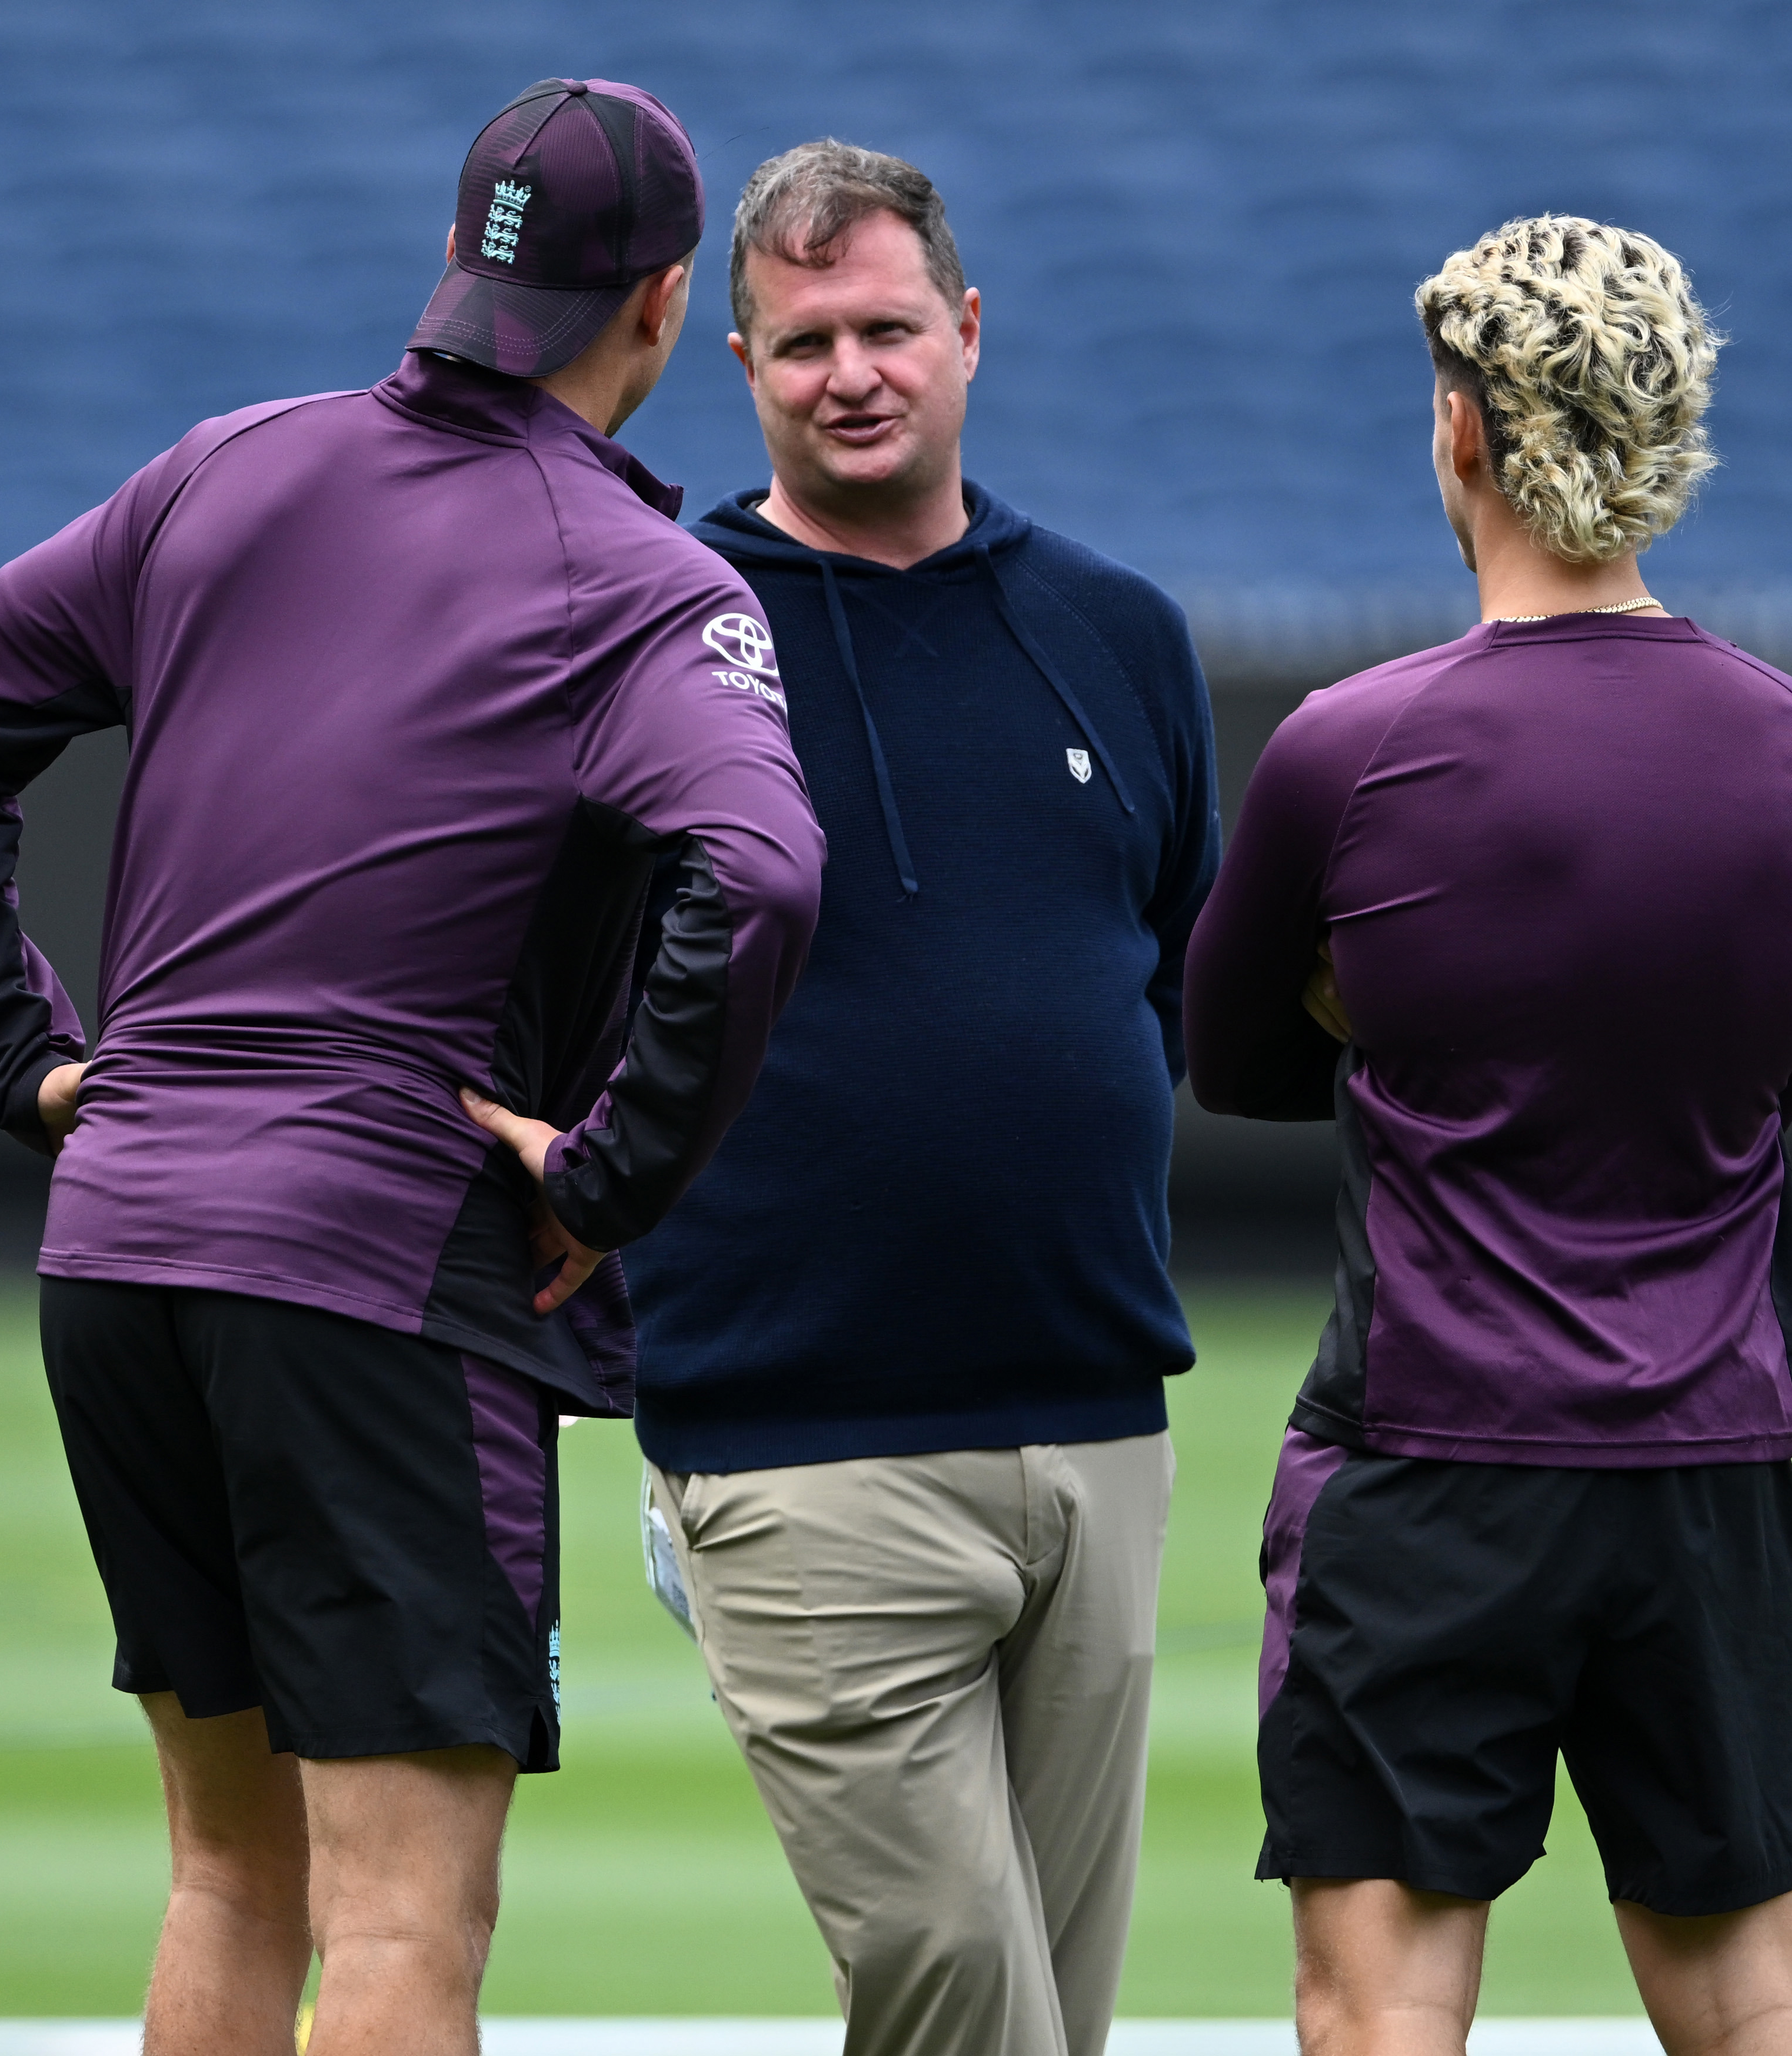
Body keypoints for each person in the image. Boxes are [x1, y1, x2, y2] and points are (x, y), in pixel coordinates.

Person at [0, 79, 823, 2056]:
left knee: (230, 1878)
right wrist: (612, 1174)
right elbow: (762, 867)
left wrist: (27, 1060)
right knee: (400, 1928)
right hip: (380, 1269)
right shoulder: (639, 583)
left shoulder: (223, 471)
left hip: (119, 1240)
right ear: (660, 303)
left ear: (458, 262)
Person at [1185, 216, 1792, 2056]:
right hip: (1711, 1461)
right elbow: (1762, 1075)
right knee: (1745, 1994)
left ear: (1465, 435)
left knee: (1383, 1999)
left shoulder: (1351, 745)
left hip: (1430, 1461)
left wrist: (1387, 1015)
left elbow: (1231, 1058)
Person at [615, 140, 1218, 2056]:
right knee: (962, 1994)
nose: (850, 374)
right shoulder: (653, 621)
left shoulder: (1115, 629)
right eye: (802, 345)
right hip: (799, 1432)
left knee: (1063, 2004)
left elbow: (1171, 968)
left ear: (966, 333)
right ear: (739, 365)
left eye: (887, 329)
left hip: (1094, 1423)